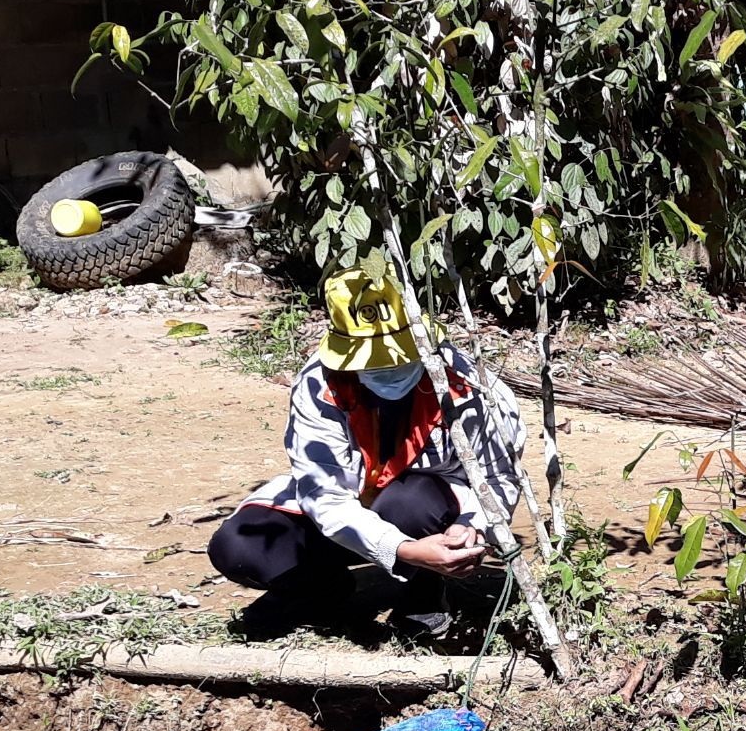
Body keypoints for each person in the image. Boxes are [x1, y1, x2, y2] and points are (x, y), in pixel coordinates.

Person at [208, 265, 525, 639]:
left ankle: (423, 592)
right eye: (372, 362)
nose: (388, 368)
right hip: (347, 509)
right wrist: (402, 549)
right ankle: (320, 590)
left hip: (427, 510)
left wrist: (470, 528)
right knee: (239, 545)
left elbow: (499, 476)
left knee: (409, 501)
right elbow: (324, 495)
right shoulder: (319, 385)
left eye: (399, 357)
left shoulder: (466, 384)